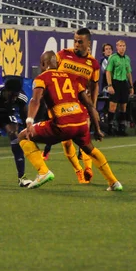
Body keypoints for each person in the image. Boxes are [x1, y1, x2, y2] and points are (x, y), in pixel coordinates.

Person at [19, 51, 123, 191]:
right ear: (57, 63)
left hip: (62, 124)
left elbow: (35, 100)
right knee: (91, 150)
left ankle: (43, 171)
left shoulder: (41, 78)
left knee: (22, 136)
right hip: (80, 122)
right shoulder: (72, 78)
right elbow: (90, 105)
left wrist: (29, 121)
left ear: (43, 64)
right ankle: (114, 182)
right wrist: (97, 129)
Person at [42, 28, 100, 184]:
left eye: (80, 42)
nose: (76, 44)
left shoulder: (93, 64)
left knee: (84, 138)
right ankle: (78, 170)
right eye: (75, 40)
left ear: (89, 43)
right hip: (59, 105)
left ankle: (88, 168)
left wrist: (92, 107)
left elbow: (94, 87)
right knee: (66, 142)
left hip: (80, 105)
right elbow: (49, 73)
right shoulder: (62, 55)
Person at [105, 39, 133, 135]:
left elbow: (129, 72)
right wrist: (110, 85)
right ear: (117, 47)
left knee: (123, 107)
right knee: (112, 107)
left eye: (123, 46)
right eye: (120, 46)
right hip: (115, 83)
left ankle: (121, 128)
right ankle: (109, 127)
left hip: (124, 83)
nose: (122, 48)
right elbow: (108, 72)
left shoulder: (127, 59)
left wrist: (131, 86)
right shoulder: (112, 58)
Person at [99, 42, 113, 115]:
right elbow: (106, 71)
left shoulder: (115, 59)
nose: (108, 50)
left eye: (110, 49)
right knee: (107, 103)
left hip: (116, 85)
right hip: (107, 86)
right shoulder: (103, 60)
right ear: (103, 52)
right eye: (106, 49)